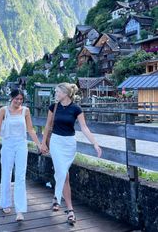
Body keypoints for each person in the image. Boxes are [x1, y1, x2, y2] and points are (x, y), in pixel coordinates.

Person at [41, 83, 102, 225]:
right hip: (56, 142)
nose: (55, 94)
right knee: (63, 173)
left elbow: (84, 128)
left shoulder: (76, 109)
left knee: (62, 174)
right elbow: (47, 125)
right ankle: (70, 210)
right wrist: (43, 143)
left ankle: (56, 199)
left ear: (65, 93)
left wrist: (95, 143)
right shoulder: (53, 107)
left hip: (69, 144)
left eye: (57, 92)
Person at [0, 88, 41, 222]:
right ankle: (5, 203)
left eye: (21, 99)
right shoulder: (3, 110)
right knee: (6, 174)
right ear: (11, 98)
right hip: (7, 145)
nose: (19, 101)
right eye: (16, 99)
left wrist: (38, 144)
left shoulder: (25, 111)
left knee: (20, 176)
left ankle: (20, 210)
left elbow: (30, 129)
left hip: (21, 145)